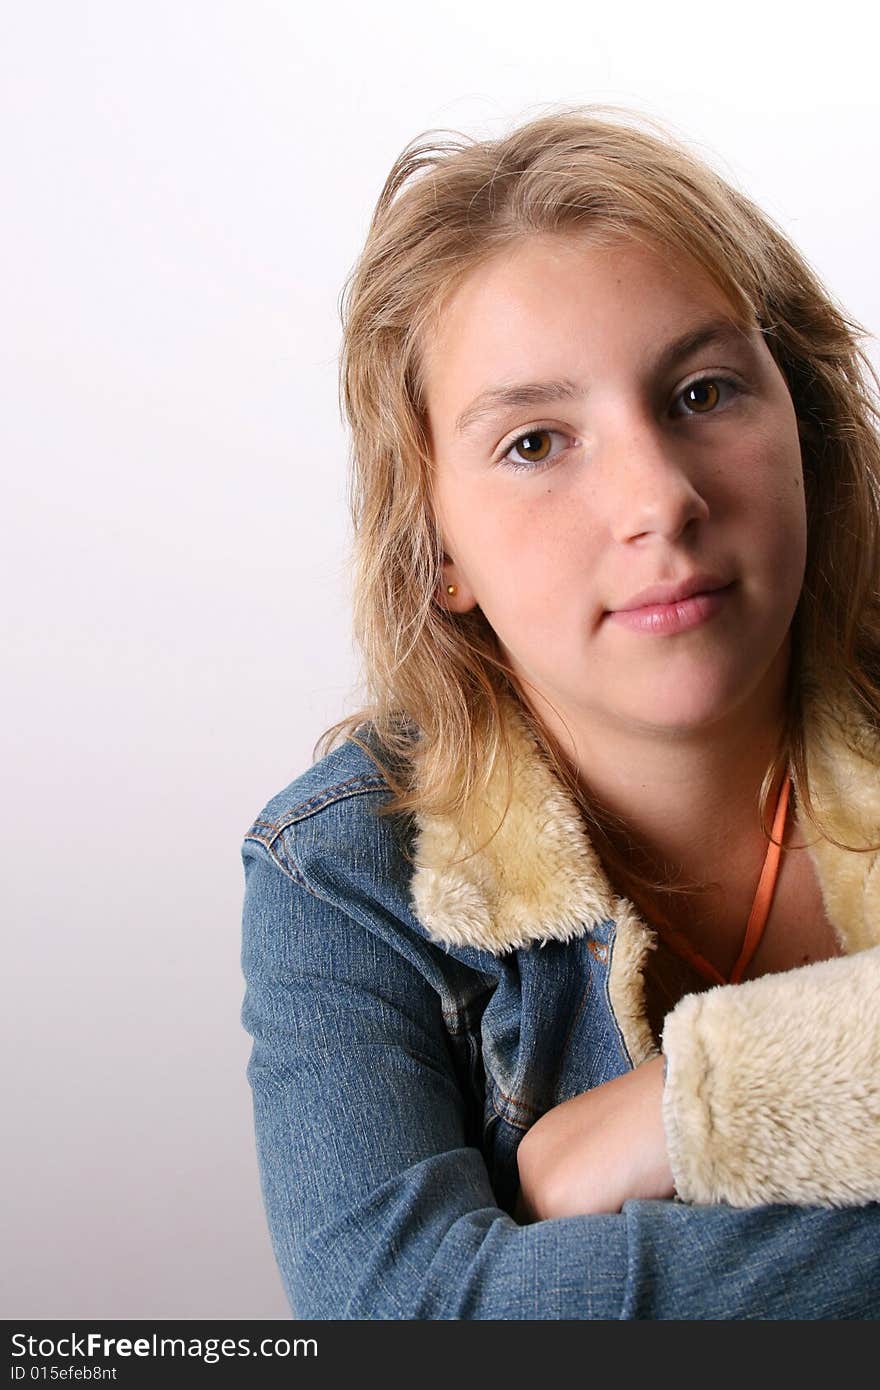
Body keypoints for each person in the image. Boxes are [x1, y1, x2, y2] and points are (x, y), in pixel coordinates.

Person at [240, 105, 880, 1319]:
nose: (660, 499)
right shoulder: (338, 872)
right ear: (436, 552)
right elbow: (412, 1326)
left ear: (802, 419)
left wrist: (696, 1104)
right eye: (536, 442)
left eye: (701, 391)